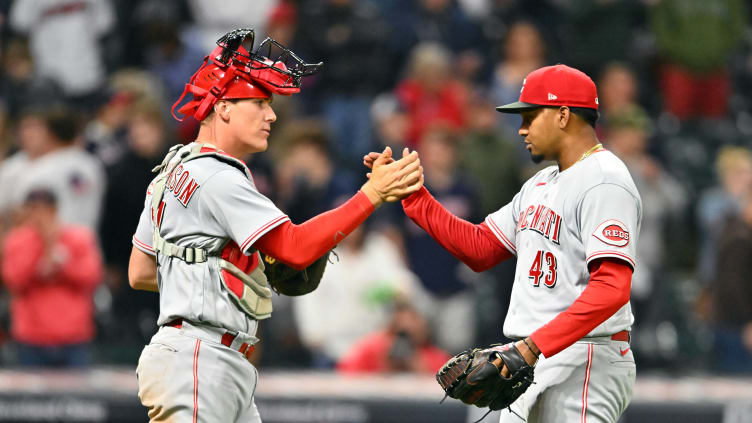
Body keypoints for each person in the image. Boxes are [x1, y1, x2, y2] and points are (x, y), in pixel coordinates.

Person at [127, 28, 423, 422]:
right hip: (200, 360)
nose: (272, 114)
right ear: (224, 106)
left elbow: (142, 271)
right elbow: (296, 248)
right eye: (260, 102)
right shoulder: (219, 175)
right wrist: (372, 194)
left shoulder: (173, 168)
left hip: (205, 357)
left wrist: (217, 276)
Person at [365, 64, 641, 422]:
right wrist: (416, 198)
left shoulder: (605, 179)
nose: (521, 128)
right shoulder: (541, 183)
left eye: (529, 116)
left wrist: (531, 347)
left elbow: (611, 289)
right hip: (531, 355)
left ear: (562, 115)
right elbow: (480, 247)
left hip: (585, 354)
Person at [1, 189, 102, 367]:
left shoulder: (79, 238)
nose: (39, 216)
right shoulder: (17, 241)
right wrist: (39, 257)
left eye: (44, 210)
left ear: (55, 210)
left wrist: (62, 264)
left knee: (78, 394)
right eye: (33, 210)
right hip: (31, 338)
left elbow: (91, 277)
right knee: (28, 395)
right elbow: (13, 280)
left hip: (73, 337)